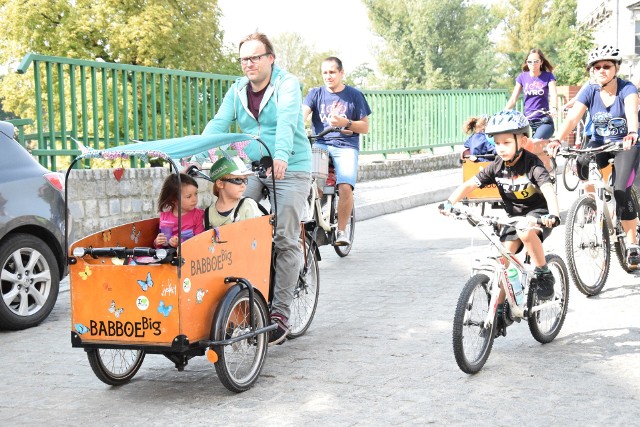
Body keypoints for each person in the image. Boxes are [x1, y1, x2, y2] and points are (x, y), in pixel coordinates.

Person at [201, 32, 311, 345]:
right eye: (244, 59)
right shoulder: (237, 90)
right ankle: (242, 300)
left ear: (270, 59)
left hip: (290, 164)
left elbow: (289, 119)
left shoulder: (286, 83)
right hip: (253, 167)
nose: (248, 64)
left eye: (255, 57)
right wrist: (193, 155)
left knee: (285, 237)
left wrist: (281, 155)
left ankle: (280, 312)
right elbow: (218, 124)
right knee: (234, 224)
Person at [440, 110, 560, 335]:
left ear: (522, 141)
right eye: (497, 143)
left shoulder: (532, 164)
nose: (501, 147)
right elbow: (470, 185)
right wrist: (449, 203)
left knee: (526, 232)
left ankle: (543, 272)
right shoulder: (497, 166)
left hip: (539, 213)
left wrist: (553, 213)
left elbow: (547, 188)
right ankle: (499, 311)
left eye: (506, 142)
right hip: (514, 218)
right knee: (503, 259)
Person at [548, 44, 640, 265]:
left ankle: (631, 242)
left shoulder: (627, 89)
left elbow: (631, 111)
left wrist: (632, 132)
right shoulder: (589, 90)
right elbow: (572, 119)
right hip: (598, 143)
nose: (601, 70)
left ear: (616, 68)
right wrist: (557, 139)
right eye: (597, 67)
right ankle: (592, 206)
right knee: (579, 162)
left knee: (621, 190)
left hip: (625, 144)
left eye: (607, 66)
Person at [302, 56, 371, 246]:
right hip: (321, 143)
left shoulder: (354, 95)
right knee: (314, 184)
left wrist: (345, 123)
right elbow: (303, 113)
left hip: (346, 146)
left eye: (332, 72)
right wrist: (299, 122)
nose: (328, 76)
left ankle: (341, 232)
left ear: (341, 73)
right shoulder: (315, 94)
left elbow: (365, 127)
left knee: (345, 186)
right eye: (325, 72)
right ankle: (312, 221)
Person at [505, 48, 558, 139]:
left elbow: (553, 94)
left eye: (535, 61)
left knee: (535, 142)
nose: (532, 64)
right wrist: (505, 111)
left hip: (543, 120)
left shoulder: (548, 76)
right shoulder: (522, 77)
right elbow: (513, 99)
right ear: (527, 62)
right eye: (530, 62)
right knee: (517, 143)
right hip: (527, 121)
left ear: (541, 62)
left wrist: (553, 108)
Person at [205, 156, 262, 228]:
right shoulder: (209, 213)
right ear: (220, 184)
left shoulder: (248, 205)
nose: (243, 185)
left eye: (245, 180)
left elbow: (257, 235)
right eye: (238, 180)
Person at [154, 173, 205, 248]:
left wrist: (180, 244)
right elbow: (160, 247)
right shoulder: (165, 217)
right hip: (169, 256)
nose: (194, 199)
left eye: (196, 194)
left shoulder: (197, 215)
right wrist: (157, 242)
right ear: (174, 200)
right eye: (189, 196)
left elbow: (199, 240)